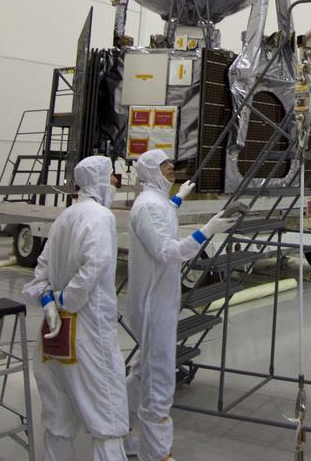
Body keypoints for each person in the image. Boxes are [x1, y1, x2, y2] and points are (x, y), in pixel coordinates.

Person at [124, 149, 238, 460]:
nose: (172, 168)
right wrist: (207, 231)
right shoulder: (147, 206)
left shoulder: (157, 202)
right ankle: (157, 453)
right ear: (149, 171)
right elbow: (166, 251)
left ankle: (121, 431)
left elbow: (161, 221)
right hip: (153, 305)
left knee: (140, 370)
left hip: (159, 299)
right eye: (165, 165)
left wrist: (178, 200)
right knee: (159, 380)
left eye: (171, 164)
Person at [23, 155, 128, 461]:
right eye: (111, 177)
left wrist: (49, 301)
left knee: (58, 419)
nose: (114, 183)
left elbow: (40, 273)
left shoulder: (64, 217)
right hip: (88, 333)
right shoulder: (100, 217)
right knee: (107, 418)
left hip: (52, 333)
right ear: (98, 180)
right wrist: (67, 301)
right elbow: (95, 265)